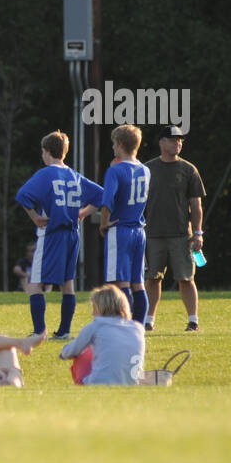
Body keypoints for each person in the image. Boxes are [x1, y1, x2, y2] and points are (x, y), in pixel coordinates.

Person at [14, 130, 103, 338]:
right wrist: (83, 212)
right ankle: (64, 331)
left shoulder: (46, 173)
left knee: (36, 282)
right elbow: (102, 195)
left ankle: (39, 331)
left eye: (42, 151)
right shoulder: (74, 175)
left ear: (47, 152)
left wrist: (35, 216)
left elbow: (22, 195)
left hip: (51, 234)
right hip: (72, 234)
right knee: (67, 284)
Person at [143, 127, 207, 332]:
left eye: (180, 140)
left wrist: (198, 233)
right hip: (153, 233)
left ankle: (193, 320)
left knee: (186, 278)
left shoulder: (189, 170)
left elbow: (196, 205)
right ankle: (148, 320)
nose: (177, 143)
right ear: (161, 142)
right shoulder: (147, 169)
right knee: (152, 278)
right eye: (172, 140)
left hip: (181, 235)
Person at [100, 124, 151, 324]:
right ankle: (139, 325)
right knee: (138, 282)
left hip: (120, 229)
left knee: (119, 281)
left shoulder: (116, 171)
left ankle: (126, 324)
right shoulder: (145, 170)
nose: (113, 148)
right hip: (139, 230)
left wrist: (103, 223)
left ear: (120, 144)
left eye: (114, 144)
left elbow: (107, 201)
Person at [59, 284, 146, 385]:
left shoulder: (97, 325)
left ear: (100, 308)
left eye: (94, 308)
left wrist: (63, 353)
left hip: (100, 382)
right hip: (135, 382)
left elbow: (72, 351)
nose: (93, 313)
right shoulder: (138, 328)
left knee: (86, 353)